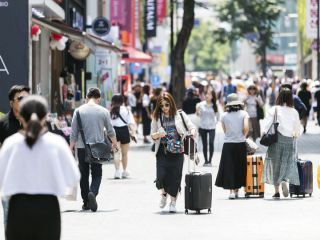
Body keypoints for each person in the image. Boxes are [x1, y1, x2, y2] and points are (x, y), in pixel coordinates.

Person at [0, 95, 80, 240]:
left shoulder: (10, 143)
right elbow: (73, 176)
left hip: (18, 208)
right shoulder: (57, 142)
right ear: (45, 117)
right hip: (48, 208)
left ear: (21, 117)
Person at [70, 88, 118, 212]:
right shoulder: (103, 111)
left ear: (86, 97)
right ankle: (93, 192)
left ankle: (86, 202)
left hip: (81, 147)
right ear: (99, 98)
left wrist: (70, 147)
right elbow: (110, 131)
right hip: (98, 147)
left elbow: (73, 132)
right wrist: (115, 144)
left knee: (83, 174)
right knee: (97, 174)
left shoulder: (78, 111)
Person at [151, 92, 197, 213]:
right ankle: (164, 194)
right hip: (163, 150)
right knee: (161, 176)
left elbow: (192, 126)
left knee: (175, 178)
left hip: (177, 151)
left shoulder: (180, 115)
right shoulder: (157, 117)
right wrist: (158, 134)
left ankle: (173, 202)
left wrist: (192, 132)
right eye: (161, 106)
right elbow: (152, 135)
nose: (164, 108)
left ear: (171, 103)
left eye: (166, 105)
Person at [0, 85, 30, 232]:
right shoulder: (2, 123)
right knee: (9, 218)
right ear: (12, 102)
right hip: (9, 181)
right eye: (20, 98)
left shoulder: (34, 122)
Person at [261, 88, 301, 199]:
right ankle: (284, 179)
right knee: (287, 163)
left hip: (276, 139)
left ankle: (276, 191)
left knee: (275, 164)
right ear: (290, 98)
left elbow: (267, 124)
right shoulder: (294, 111)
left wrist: (263, 134)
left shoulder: (275, 109)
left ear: (279, 97)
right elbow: (297, 129)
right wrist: (296, 135)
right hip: (289, 140)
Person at [215, 93, 249, 199]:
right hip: (240, 143)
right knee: (240, 167)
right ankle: (237, 190)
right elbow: (246, 128)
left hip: (228, 144)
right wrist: (243, 135)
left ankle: (231, 192)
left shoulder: (224, 115)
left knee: (230, 168)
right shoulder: (244, 113)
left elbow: (225, 130)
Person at [110, 95, 137, 179]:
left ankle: (117, 171)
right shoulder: (126, 109)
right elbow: (131, 123)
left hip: (114, 132)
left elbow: (108, 125)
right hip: (124, 131)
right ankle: (124, 171)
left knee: (116, 153)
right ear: (122, 101)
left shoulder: (111, 111)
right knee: (125, 154)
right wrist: (133, 133)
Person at [196, 89, 219, 166]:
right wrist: (197, 111)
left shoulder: (215, 105)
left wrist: (216, 122)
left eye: (209, 94)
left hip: (212, 127)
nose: (207, 96)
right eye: (206, 94)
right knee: (204, 144)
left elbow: (218, 116)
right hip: (203, 126)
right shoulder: (200, 104)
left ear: (212, 96)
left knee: (211, 143)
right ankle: (206, 161)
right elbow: (198, 115)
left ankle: (210, 161)